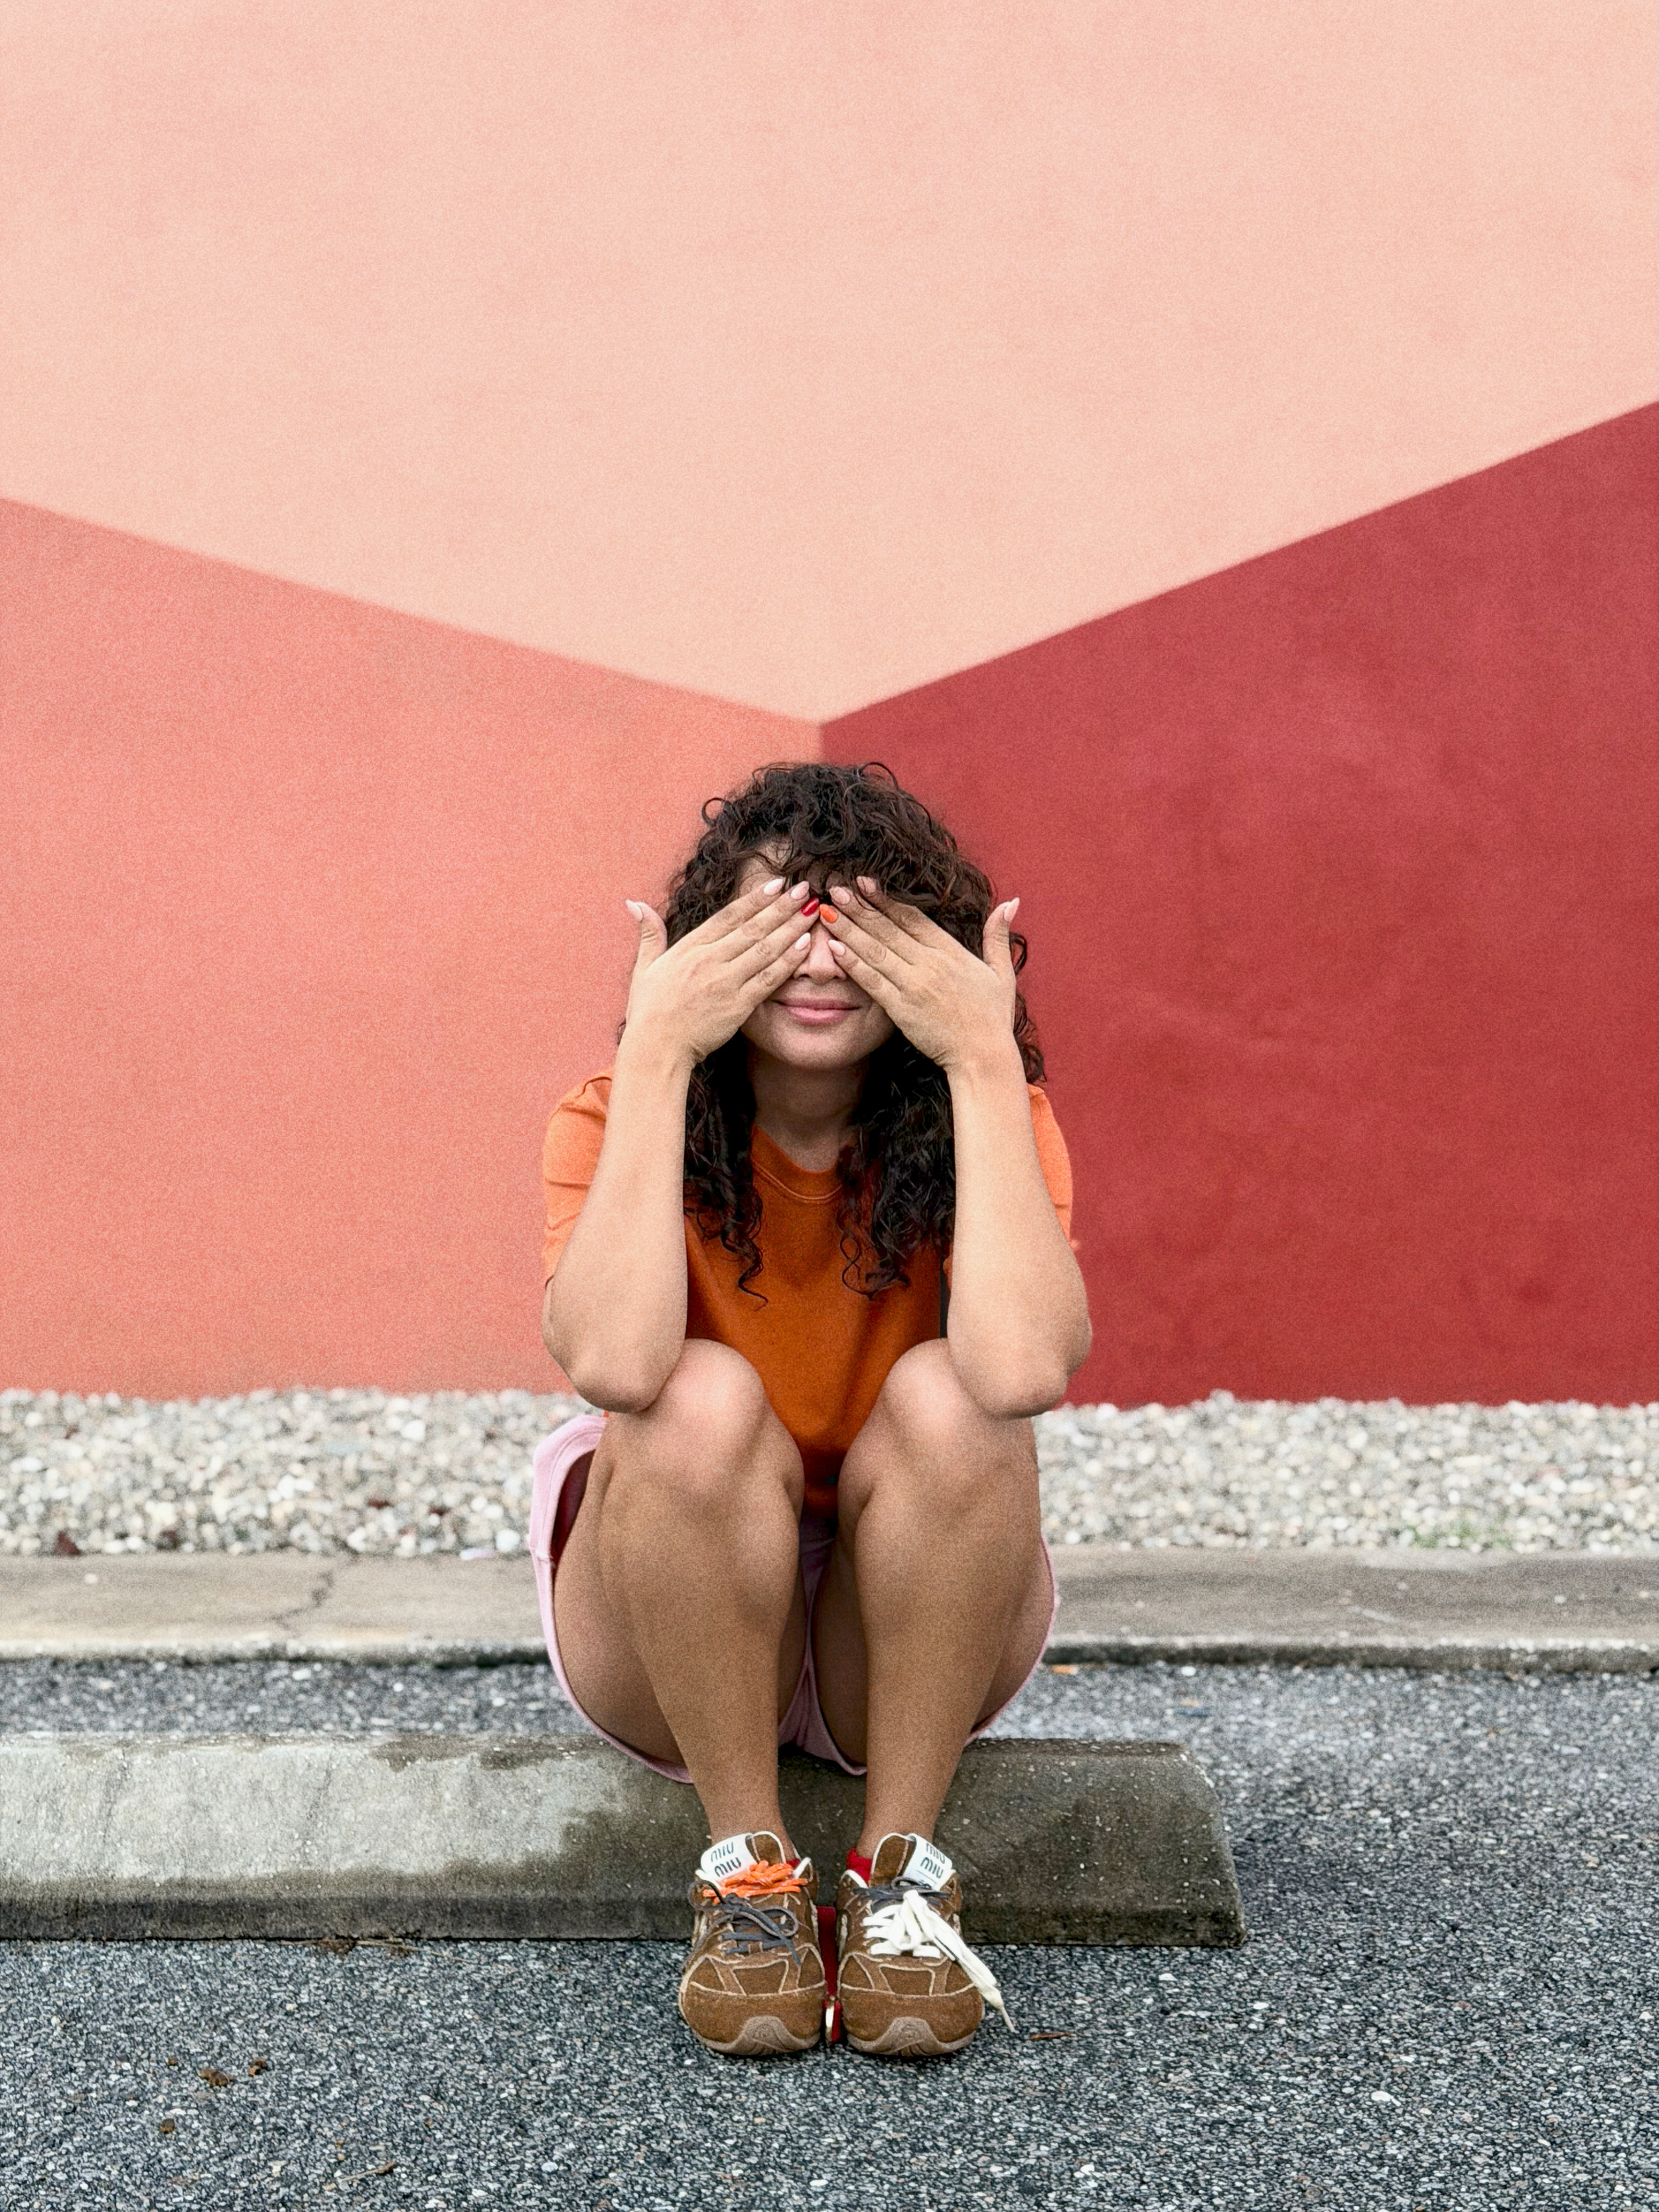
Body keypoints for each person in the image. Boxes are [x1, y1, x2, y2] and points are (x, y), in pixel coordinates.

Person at [532, 761, 1090, 2059]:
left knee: (954, 1397)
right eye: (781, 920)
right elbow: (613, 1365)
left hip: (901, 1620)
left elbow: (1016, 1377)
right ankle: (748, 1879)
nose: (820, 960)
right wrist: (660, 1042)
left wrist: (978, 1056)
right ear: (697, 949)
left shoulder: (989, 1117)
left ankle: (900, 1884)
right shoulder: (611, 1114)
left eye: (866, 923)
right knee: (687, 1396)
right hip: (668, 1595)